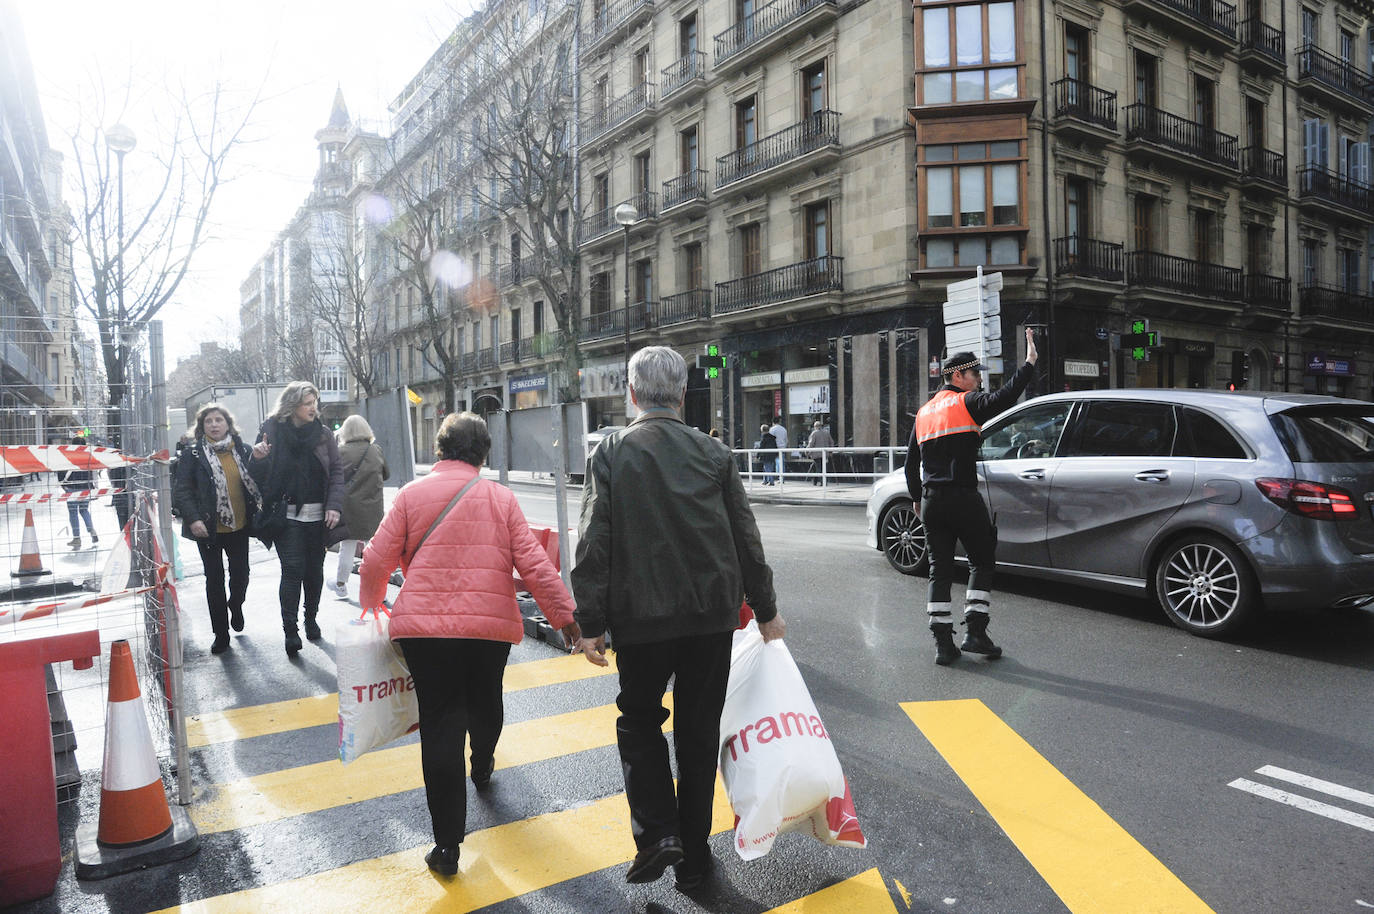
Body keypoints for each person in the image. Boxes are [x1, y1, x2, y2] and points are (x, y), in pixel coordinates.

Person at [571, 346, 785, 892]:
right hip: (711, 616)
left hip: (641, 617)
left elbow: (594, 540)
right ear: (684, 395)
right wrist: (766, 611)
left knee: (639, 720)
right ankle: (695, 859)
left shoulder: (613, 451)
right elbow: (746, 538)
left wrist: (590, 621)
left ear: (632, 393)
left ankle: (658, 833)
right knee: (697, 735)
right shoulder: (713, 453)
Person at [359, 412, 580, 878]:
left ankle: (447, 847)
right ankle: (482, 763)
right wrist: (565, 618)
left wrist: (373, 604)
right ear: (484, 453)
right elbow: (536, 564)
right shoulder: (500, 498)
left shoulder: (411, 494)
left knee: (440, 724)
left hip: (423, 632)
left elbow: (376, 557)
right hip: (488, 630)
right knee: (485, 698)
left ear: (439, 449)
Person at [906, 329, 1038, 666]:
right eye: (975, 373)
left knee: (940, 570)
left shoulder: (923, 414)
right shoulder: (967, 403)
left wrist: (917, 499)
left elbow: (910, 464)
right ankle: (975, 633)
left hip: (933, 500)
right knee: (981, 560)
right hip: (963, 497)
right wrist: (1028, 364)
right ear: (957, 376)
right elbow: (1006, 398)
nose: (979, 379)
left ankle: (942, 645)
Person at [249, 381, 345, 657]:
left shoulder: (324, 435)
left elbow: (337, 472)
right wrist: (256, 458)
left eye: (315, 402)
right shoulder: (272, 431)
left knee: (314, 572)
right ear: (293, 405)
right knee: (292, 570)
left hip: (319, 516)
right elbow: (256, 477)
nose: (313, 407)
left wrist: (335, 506)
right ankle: (290, 630)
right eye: (307, 403)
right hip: (286, 515)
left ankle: (310, 618)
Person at [173, 404, 263, 654]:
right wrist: (193, 519)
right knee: (214, 580)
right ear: (202, 427)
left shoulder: (243, 450)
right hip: (208, 529)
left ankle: (235, 604)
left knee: (241, 575)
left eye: (218, 420)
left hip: (239, 526)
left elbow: (258, 481)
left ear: (228, 423)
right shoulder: (192, 455)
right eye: (208, 421)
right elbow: (182, 490)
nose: (214, 424)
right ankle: (221, 634)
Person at [331, 415, 389, 600]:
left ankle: (341, 585)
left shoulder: (340, 452)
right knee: (374, 551)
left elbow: (333, 479)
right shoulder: (376, 450)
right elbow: (386, 474)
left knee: (346, 548)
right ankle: (379, 591)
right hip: (373, 509)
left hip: (349, 509)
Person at [59, 436, 99, 548]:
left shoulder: (68, 455)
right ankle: (92, 530)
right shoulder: (88, 456)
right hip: (86, 487)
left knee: (73, 513)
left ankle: (77, 538)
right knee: (84, 510)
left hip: (71, 487)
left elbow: (61, 469)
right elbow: (93, 472)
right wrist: (94, 486)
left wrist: (63, 484)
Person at [804, 419, 835, 485]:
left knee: (818, 468)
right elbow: (831, 442)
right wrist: (830, 451)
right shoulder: (826, 432)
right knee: (822, 467)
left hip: (816, 454)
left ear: (815, 426)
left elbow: (811, 443)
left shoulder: (814, 433)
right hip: (825, 454)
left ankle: (822, 482)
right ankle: (816, 481)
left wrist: (807, 451)